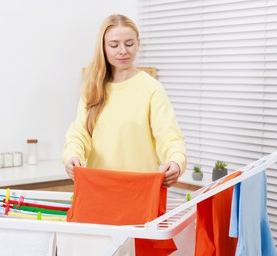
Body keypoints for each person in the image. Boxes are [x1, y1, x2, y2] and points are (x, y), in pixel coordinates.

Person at [63, 14, 187, 188]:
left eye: (129, 44)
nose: (123, 50)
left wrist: (176, 161)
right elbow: (79, 133)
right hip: (98, 187)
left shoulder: (152, 89)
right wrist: (72, 156)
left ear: (138, 44)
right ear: (103, 47)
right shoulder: (93, 88)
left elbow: (169, 136)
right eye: (114, 45)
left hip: (140, 189)